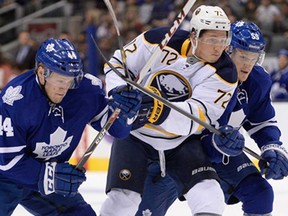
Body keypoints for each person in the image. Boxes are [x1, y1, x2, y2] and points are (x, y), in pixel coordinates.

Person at [100, 5, 243, 216]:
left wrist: (157, 111)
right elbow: (117, 65)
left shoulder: (226, 73)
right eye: (212, 40)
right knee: (123, 201)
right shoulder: (157, 39)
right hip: (135, 135)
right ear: (194, 35)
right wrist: (119, 92)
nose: (218, 48)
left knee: (210, 194)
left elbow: (197, 117)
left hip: (180, 141)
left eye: (224, 40)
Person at [138, 20, 288, 216]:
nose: (248, 65)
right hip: (179, 151)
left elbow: (262, 121)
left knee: (260, 193)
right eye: (243, 56)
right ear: (227, 50)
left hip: (220, 152)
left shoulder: (257, 81)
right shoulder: (200, 72)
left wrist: (272, 146)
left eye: (254, 58)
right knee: (146, 211)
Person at [0, 38, 142, 216]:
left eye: (70, 81)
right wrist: (51, 177)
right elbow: (8, 161)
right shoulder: (16, 100)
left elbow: (118, 131)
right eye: (60, 80)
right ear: (42, 72)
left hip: (44, 175)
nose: (64, 88)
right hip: (4, 178)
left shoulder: (85, 90)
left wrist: (126, 112)